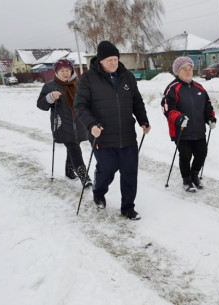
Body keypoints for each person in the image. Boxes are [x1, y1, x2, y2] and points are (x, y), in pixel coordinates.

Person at [74, 40, 151, 220]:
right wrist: (91, 125)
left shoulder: (127, 77)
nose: (113, 63)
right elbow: (80, 106)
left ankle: (128, 207)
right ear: (100, 61)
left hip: (127, 136)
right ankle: (98, 192)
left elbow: (136, 102)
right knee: (107, 170)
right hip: (102, 135)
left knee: (130, 172)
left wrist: (143, 120)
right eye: (109, 60)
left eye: (115, 59)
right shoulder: (87, 79)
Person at [161, 56, 216, 192]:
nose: (188, 72)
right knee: (185, 156)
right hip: (182, 131)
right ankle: (186, 180)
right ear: (177, 72)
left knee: (201, 153)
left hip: (198, 130)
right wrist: (179, 118)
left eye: (190, 69)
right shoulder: (173, 88)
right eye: (184, 69)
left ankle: (194, 175)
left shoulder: (199, 87)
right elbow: (167, 108)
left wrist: (211, 118)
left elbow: (207, 105)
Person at [37, 58, 92, 188]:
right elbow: (41, 105)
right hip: (62, 123)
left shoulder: (79, 84)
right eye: (62, 70)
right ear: (56, 72)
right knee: (74, 148)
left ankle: (69, 172)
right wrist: (50, 97)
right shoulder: (49, 86)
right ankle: (84, 177)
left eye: (68, 70)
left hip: (79, 123)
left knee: (74, 147)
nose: (65, 73)